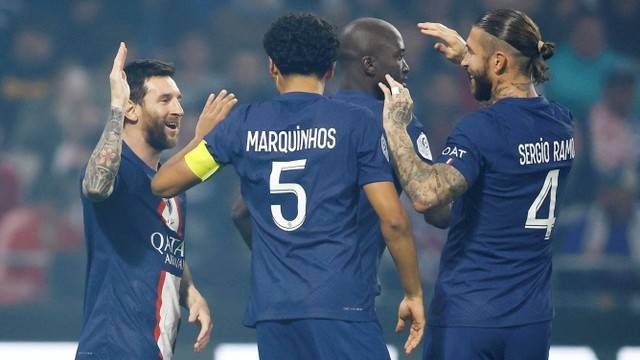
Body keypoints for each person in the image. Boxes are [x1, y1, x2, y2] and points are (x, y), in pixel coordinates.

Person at [151, 12, 425, 360]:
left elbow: (162, 184)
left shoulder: (243, 126)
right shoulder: (356, 123)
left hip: (274, 312)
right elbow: (395, 221)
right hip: (341, 307)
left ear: (272, 66)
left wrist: (203, 138)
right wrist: (413, 293)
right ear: (329, 69)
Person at [379, 9, 575, 360]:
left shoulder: (480, 130)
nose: (464, 61)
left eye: (470, 52)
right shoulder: (561, 124)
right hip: (531, 321)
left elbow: (425, 196)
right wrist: (476, 55)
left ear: (498, 62)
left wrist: (395, 125)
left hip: (469, 316)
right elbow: (517, 109)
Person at [76, 43, 213, 360]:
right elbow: (95, 187)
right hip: (113, 349)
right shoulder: (116, 168)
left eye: (178, 99)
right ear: (132, 108)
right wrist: (115, 107)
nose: (178, 109)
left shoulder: (173, 188)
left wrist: (190, 293)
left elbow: (164, 248)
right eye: (165, 99)